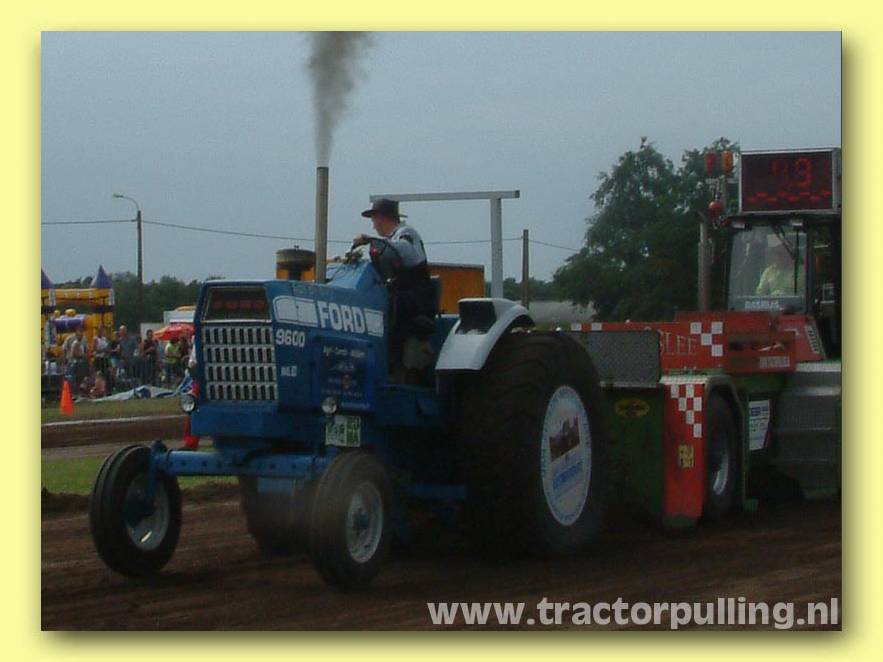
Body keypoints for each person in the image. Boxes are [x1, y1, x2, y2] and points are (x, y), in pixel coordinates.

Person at [353, 198, 436, 376]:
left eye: (374, 220)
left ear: (382, 218)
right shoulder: (388, 241)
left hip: (415, 300)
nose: (373, 225)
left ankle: (395, 367)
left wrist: (370, 239)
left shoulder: (407, 234)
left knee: (391, 308)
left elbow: (408, 252)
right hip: (397, 295)